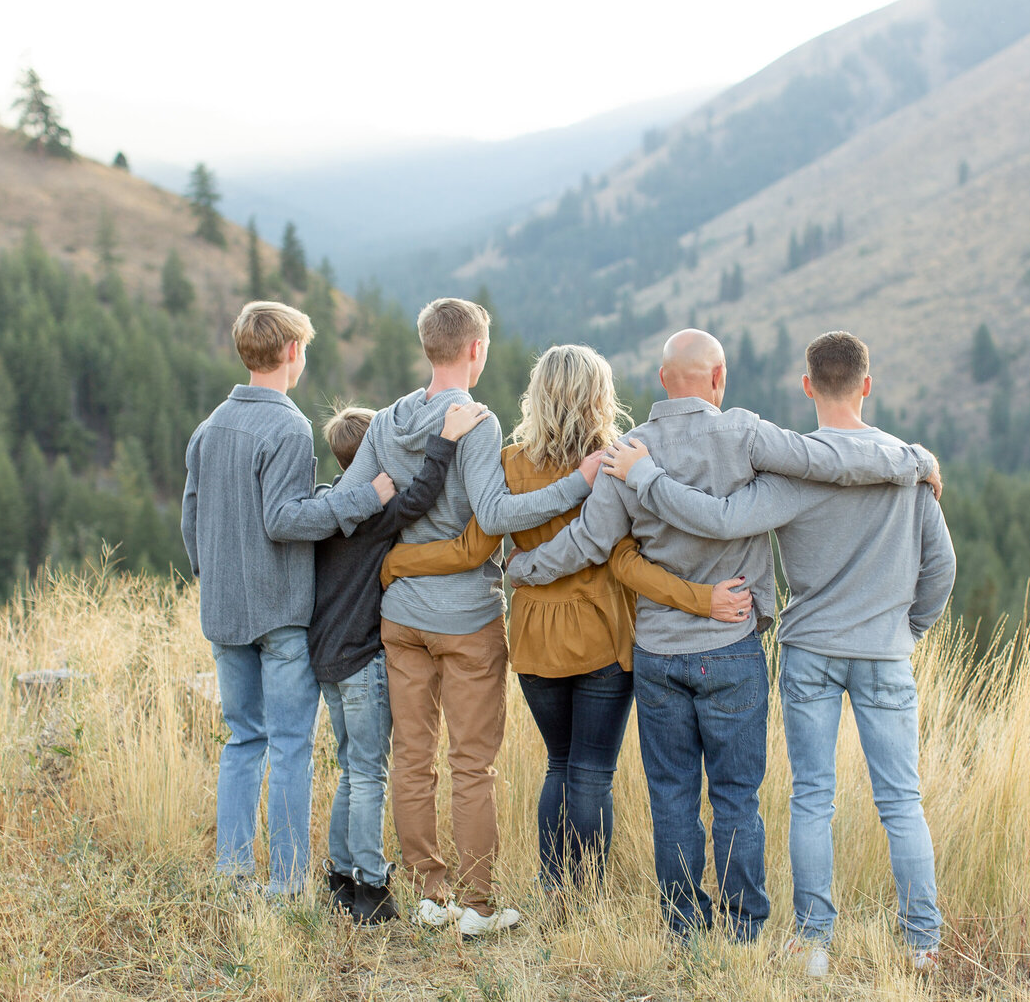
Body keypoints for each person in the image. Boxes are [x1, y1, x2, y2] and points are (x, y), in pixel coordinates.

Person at [506, 328, 939, 942]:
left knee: (672, 797)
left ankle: (683, 928)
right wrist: (916, 460)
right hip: (732, 646)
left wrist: (521, 568)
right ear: (719, 378)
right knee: (738, 797)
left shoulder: (629, 451)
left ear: (662, 381)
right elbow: (835, 458)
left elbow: (587, 543)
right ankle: (743, 930)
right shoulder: (747, 434)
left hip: (657, 652)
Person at [379, 344, 754, 902]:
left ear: (539, 396)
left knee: (559, 764)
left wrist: (394, 562)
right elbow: (627, 560)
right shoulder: (617, 461)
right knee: (592, 773)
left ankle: (554, 885)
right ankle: (585, 896)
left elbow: (473, 548)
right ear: (598, 398)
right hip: (601, 634)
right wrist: (701, 599)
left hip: (533, 639)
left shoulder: (511, 461)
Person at [335, 298, 599, 937]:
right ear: (476, 350)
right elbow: (497, 514)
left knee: (412, 758)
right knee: (472, 764)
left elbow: (355, 505)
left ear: (428, 347)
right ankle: (477, 906)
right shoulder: (476, 421)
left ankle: (430, 893)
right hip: (466, 618)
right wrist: (578, 484)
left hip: (399, 617)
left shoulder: (389, 421)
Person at [180, 300, 396, 897]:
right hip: (278, 611)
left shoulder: (208, 428)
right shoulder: (288, 427)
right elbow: (284, 520)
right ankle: (285, 883)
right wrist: (362, 498)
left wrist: (213, 573)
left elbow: (190, 519)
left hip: (223, 612)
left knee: (242, 739)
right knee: (292, 744)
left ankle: (232, 873)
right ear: (293, 352)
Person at [310, 398, 490, 925]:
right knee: (369, 773)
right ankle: (370, 883)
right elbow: (419, 498)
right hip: (363, 658)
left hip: (326, 659)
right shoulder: (370, 515)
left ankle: (339, 874)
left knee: (351, 769)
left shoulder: (326, 507)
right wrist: (447, 440)